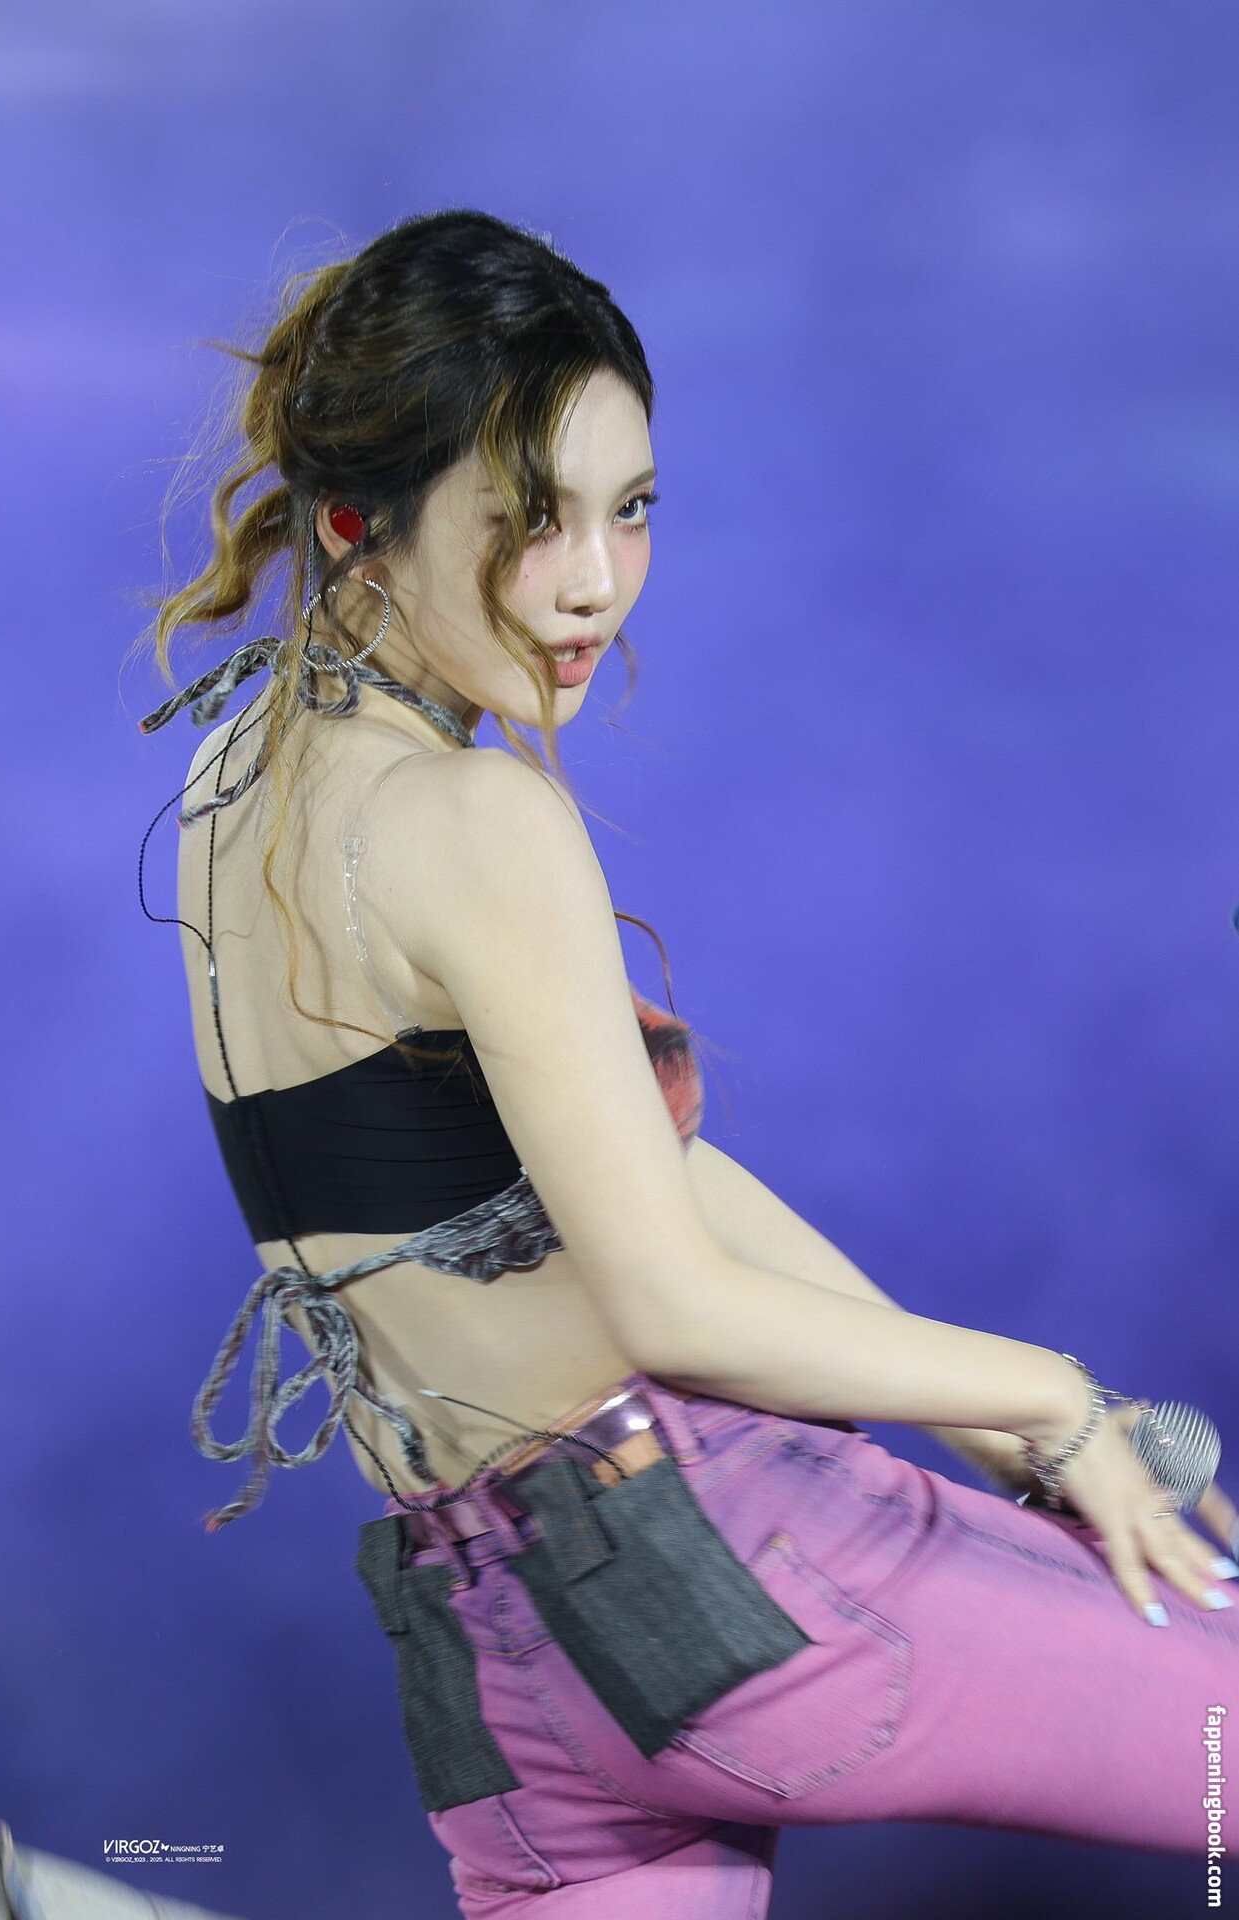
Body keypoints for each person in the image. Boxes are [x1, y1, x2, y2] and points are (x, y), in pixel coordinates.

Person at [136, 208, 1239, 1917]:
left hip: (505, 1679)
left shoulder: (229, 793)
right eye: (530, 519)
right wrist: (1050, 1398)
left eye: (631, 507)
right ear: (357, 522)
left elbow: (635, 1189)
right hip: (725, 1576)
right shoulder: (470, 817)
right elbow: (667, 1299)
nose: (594, 579)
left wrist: (990, 1435)